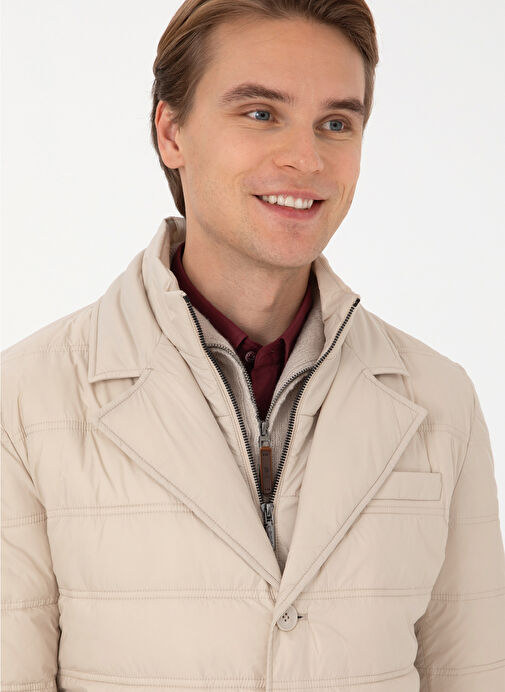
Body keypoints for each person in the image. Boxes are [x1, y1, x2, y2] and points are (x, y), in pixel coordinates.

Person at [2, 0, 504, 690]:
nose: (306, 158)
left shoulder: (439, 401)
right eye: (261, 113)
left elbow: (474, 672)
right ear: (171, 133)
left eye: (336, 123)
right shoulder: (27, 401)